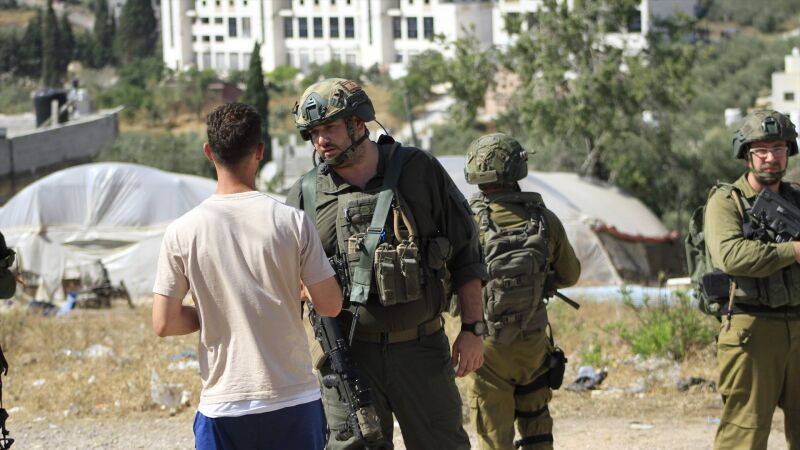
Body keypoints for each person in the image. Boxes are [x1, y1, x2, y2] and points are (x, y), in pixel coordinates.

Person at [286, 78, 487, 449]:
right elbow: (287, 283)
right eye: (313, 132)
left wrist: (473, 328)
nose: (320, 141)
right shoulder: (306, 194)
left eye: (329, 127)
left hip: (422, 351)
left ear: (358, 124)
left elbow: (467, 254)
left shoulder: (419, 171)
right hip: (348, 357)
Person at [152, 102, 343, 450]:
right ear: (259, 151)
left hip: (223, 404)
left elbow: (163, 323)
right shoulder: (292, 222)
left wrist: (209, 313)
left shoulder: (182, 231)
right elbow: (330, 305)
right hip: (293, 399)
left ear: (209, 152)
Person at [463, 133, 580, 450]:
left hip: (486, 348)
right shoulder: (544, 220)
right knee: (537, 430)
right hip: (533, 344)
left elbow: (450, 283)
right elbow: (571, 275)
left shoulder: (467, 223)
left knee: (493, 437)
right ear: (517, 170)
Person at [704, 109, 800, 449]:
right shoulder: (726, 202)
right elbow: (730, 256)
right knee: (744, 437)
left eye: (778, 148)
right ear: (747, 153)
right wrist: (792, 252)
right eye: (761, 149)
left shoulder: (797, 199)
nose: (771, 157)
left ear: (789, 151)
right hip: (752, 329)